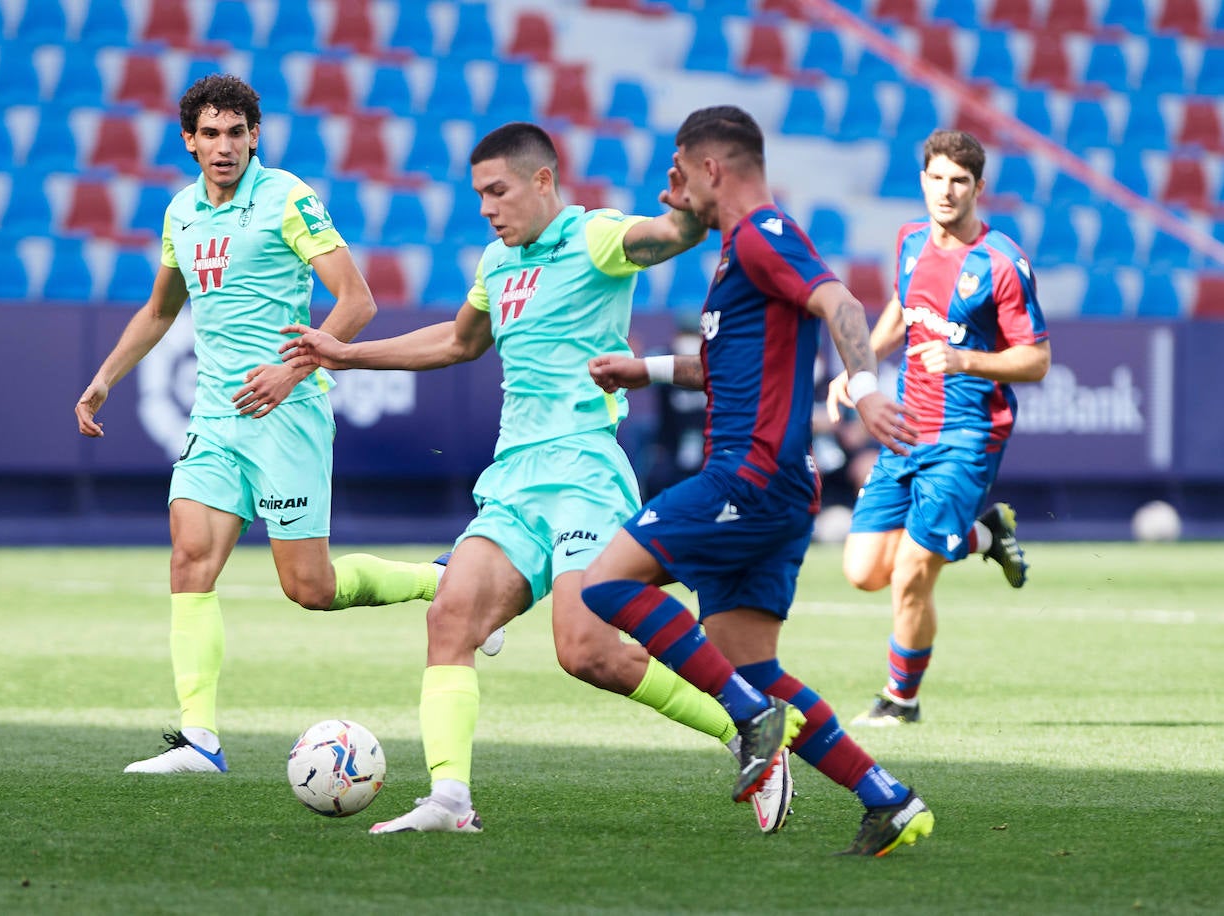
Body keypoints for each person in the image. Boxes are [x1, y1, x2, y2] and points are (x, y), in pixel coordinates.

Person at [280, 121, 784, 835]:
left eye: (498, 191)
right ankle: (450, 801)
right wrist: (346, 354)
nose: (487, 208)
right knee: (450, 615)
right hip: (514, 479)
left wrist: (686, 211)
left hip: (583, 470)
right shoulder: (496, 261)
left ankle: (749, 731)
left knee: (585, 653)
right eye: (479, 194)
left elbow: (667, 237)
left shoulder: (597, 237)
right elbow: (459, 340)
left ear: (543, 180)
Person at [581, 105, 935, 857]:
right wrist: (639, 370)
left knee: (606, 586)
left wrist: (866, 388)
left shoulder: (763, 235)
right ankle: (889, 800)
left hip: (748, 476)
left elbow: (840, 301)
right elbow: (723, 367)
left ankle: (745, 716)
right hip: (777, 487)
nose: (674, 192)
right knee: (757, 666)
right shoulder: (738, 255)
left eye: (680, 173)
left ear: (713, 167)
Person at [74, 74, 446, 774]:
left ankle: (440, 581)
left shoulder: (288, 198)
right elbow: (159, 310)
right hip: (216, 417)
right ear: (188, 140)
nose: (223, 146)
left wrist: (293, 371)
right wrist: (103, 381)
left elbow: (357, 303)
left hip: (287, 415)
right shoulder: (181, 212)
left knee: (311, 589)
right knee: (189, 559)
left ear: (254, 136)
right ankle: (199, 741)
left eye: (235, 132)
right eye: (209, 134)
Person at [826, 129, 1050, 728]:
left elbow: (1036, 360)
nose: (946, 191)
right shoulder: (907, 241)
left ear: (978, 188)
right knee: (862, 572)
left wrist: (965, 359)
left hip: (968, 435)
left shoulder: (1002, 262)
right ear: (923, 180)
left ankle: (901, 699)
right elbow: (900, 311)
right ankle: (983, 533)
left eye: (960, 182)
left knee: (910, 573)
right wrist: (860, 372)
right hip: (904, 428)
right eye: (937, 179)